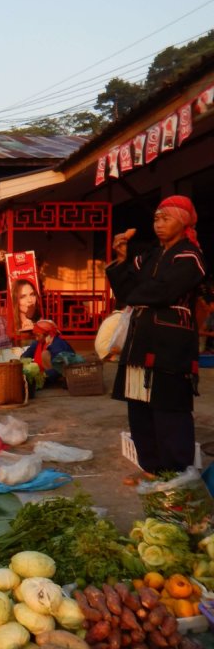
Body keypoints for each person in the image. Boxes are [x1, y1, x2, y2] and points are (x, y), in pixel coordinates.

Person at [107, 195, 206, 475]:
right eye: (156, 219)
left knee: (169, 408)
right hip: (140, 341)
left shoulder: (190, 257)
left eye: (166, 218)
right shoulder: (150, 255)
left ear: (183, 221)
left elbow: (164, 291)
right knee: (139, 408)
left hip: (170, 347)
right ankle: (151, 468)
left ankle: (176, 473)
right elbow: (126, 289)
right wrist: (122, 258)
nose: (159, 224)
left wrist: (133, 297)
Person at [21, 319, 76, 384]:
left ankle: (58, 381)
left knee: (45, 354)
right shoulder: (39, 342)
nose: (36, 338)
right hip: (50, 372)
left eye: (38, 335)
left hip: (67, 373)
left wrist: (43, 377)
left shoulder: (57, 344)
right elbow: (25, 356)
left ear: (47, 334)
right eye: (35, 335)